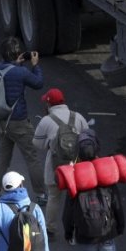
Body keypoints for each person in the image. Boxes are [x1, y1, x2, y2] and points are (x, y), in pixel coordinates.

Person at [62, 131, 125, 251]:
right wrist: (120, 226)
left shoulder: (75, 177)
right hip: (107, 232)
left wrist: (69, 232)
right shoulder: (107, 173)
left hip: (85, 233)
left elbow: (69, 211)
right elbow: (117, 205)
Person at [0, 37, 46, 202]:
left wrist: (16, 63)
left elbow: (7, 76)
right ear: (18, 54)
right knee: (32, 157)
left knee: (2, 157)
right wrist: (35, 65)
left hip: (1, 121)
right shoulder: (21, 72)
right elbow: (38, 83)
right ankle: (41, 194)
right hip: (19, 121)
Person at [32, 89, 90, 242]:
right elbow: (88, 137)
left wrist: (50, 144)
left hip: (55, 167)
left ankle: (50, 230)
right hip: (77, 166)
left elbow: (36, 143)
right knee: (76, 198)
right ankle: (77, 229)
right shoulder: (77, 116)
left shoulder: (46, 120)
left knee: (53, 197)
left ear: (49, 103)